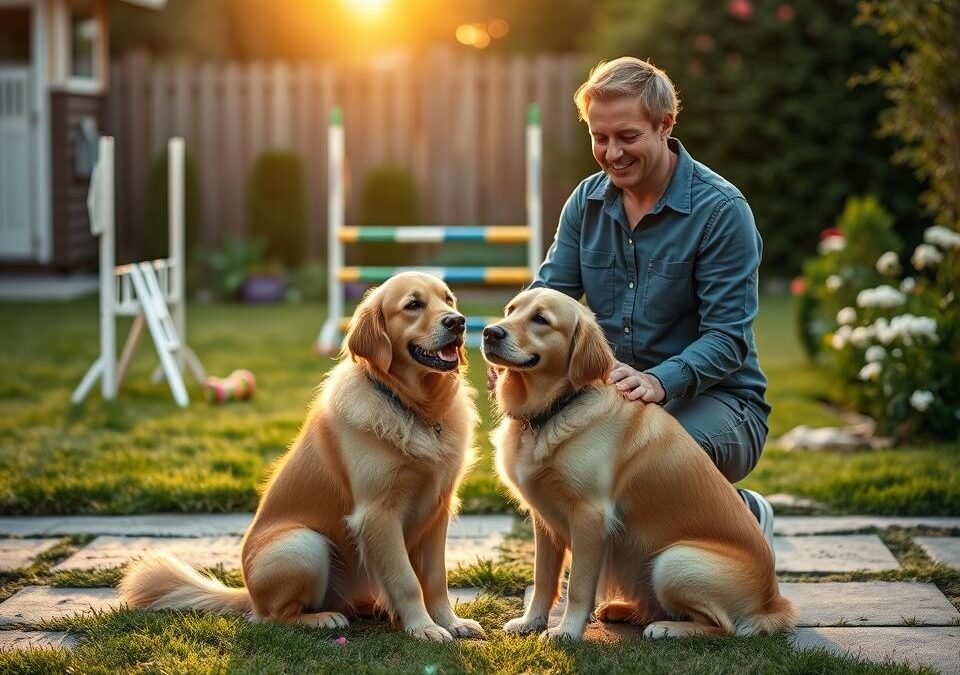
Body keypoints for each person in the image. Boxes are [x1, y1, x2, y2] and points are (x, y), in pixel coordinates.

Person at [491, 56, 774, 540]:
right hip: (611, 400)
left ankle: (742, 516)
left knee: (644, 460)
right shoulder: (586, 201)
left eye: (627, 137)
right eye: (600, 138)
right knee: (575, 471)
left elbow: (728, 340)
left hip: (719, 401)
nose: (612, 153)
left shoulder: (721, 211)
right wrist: (517, 348)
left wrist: (659, 382)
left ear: (665, 125)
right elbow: (550, 293)